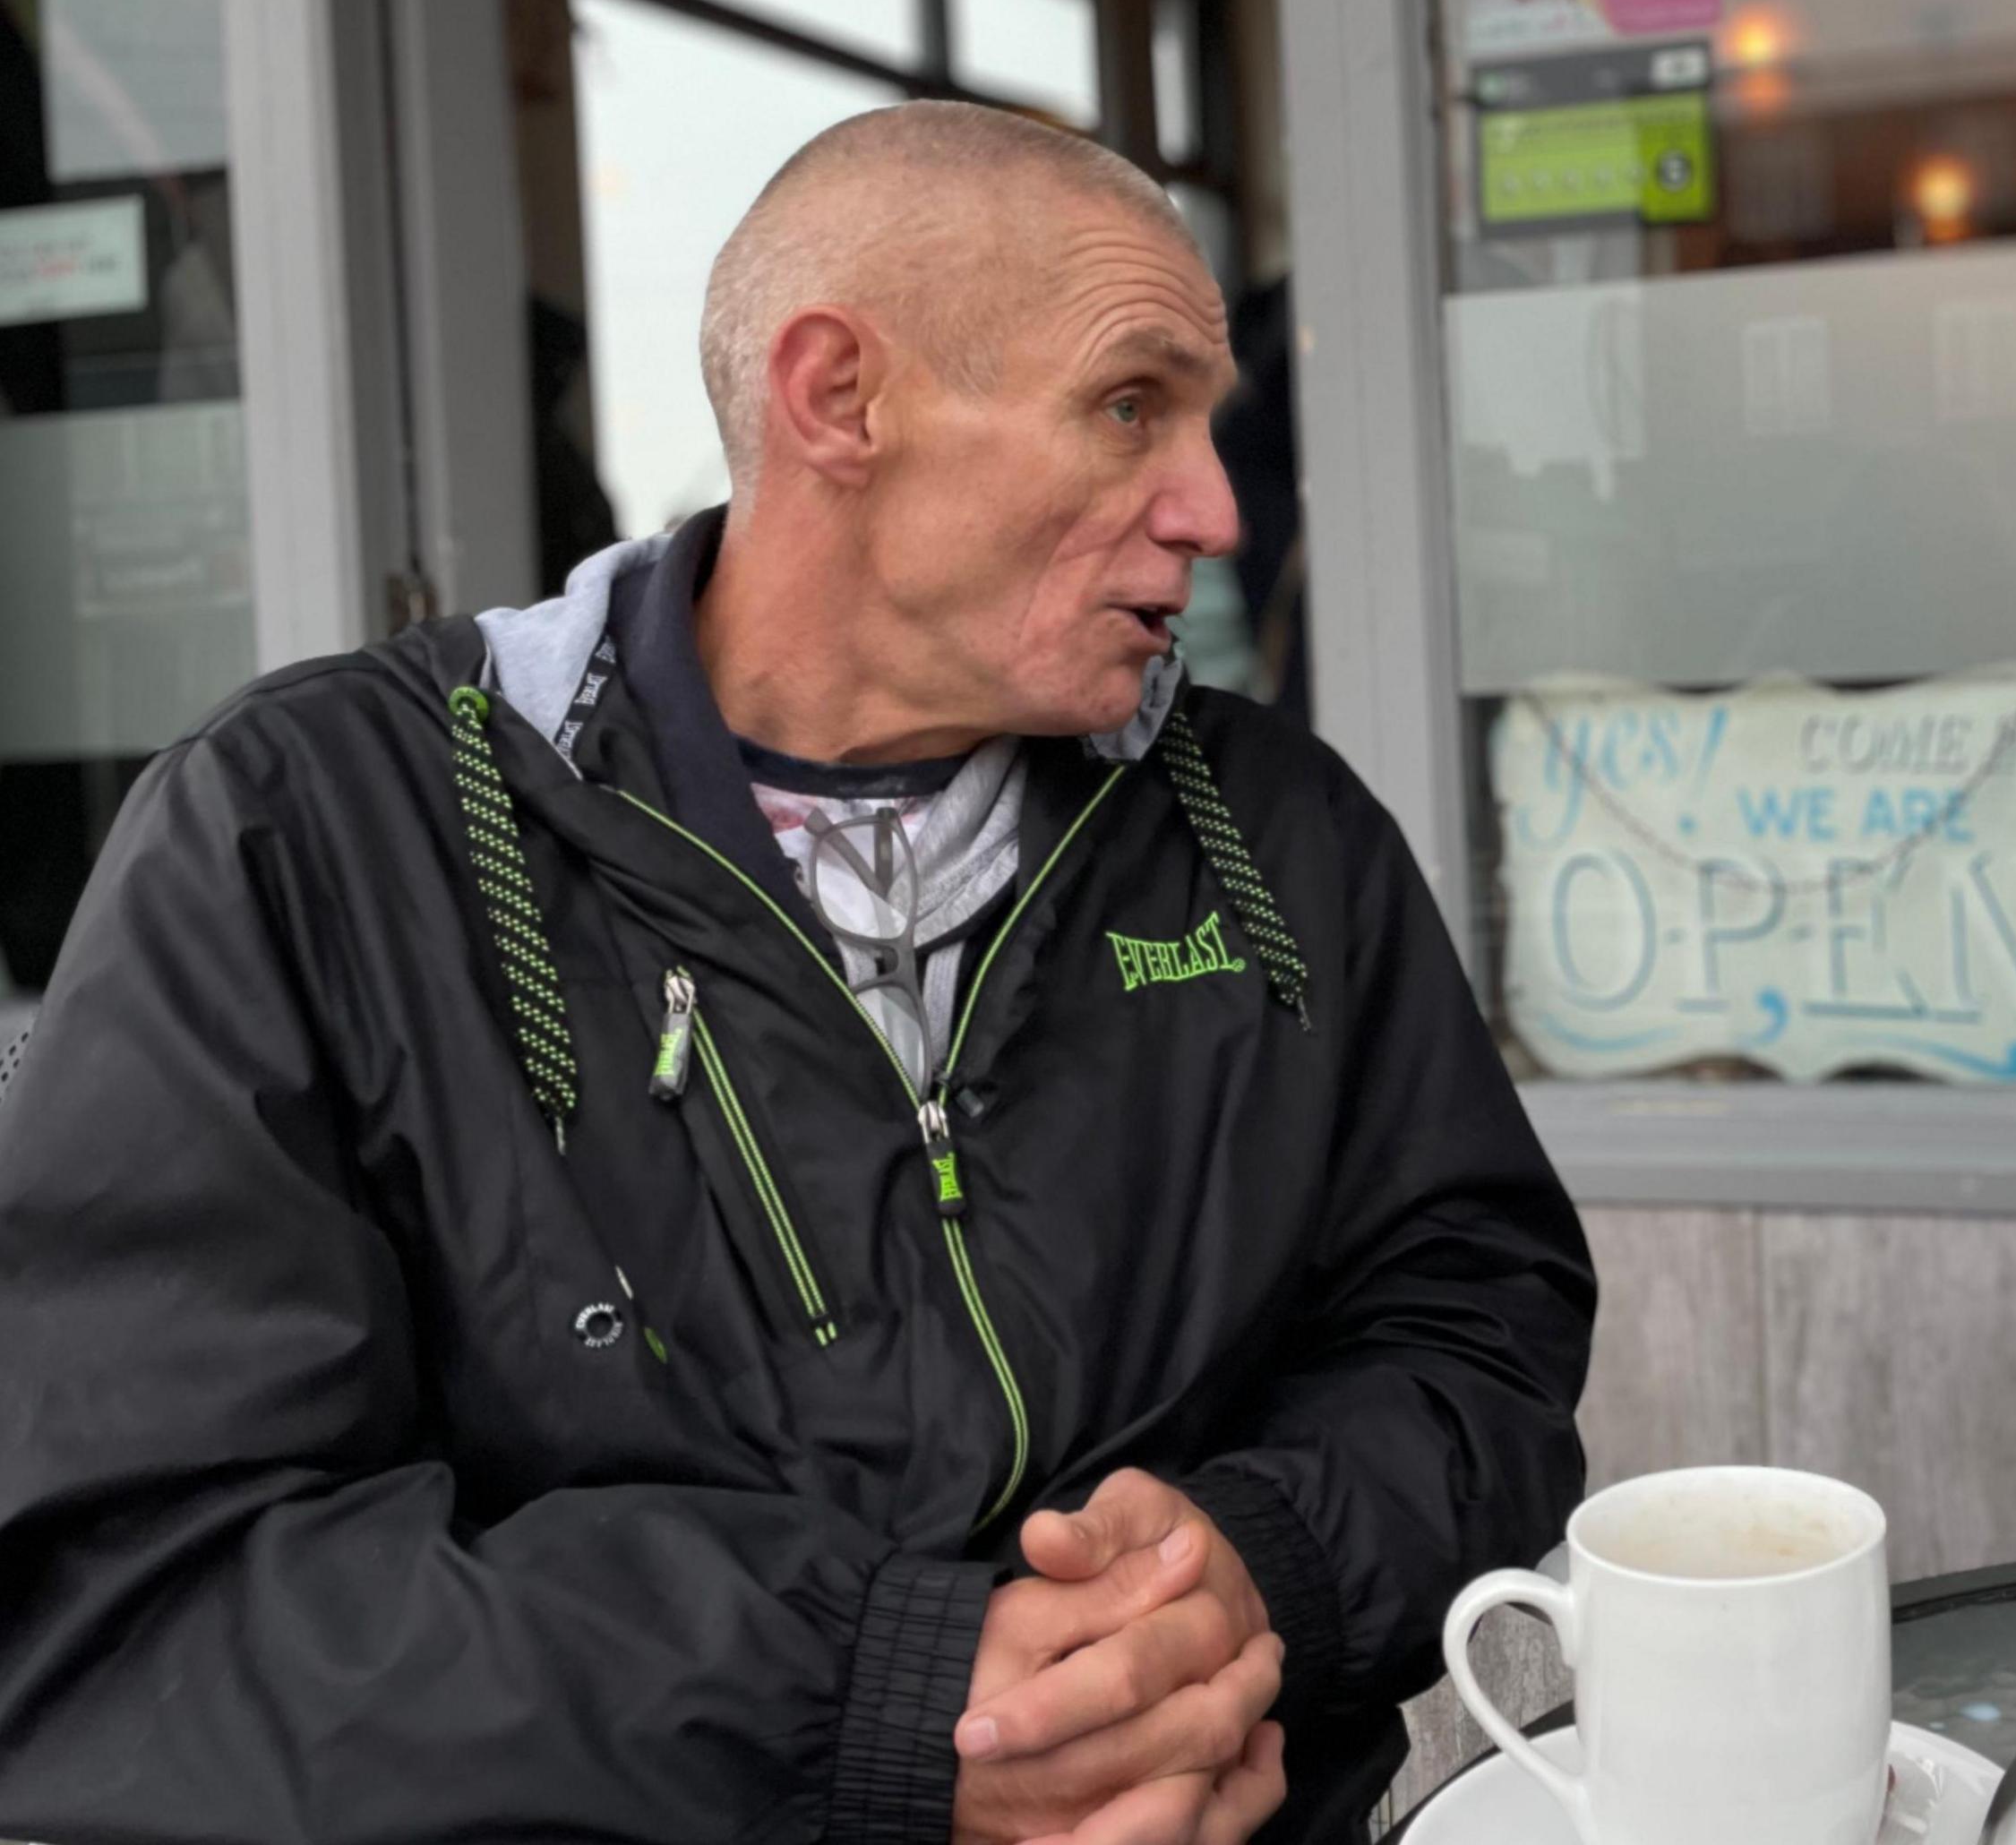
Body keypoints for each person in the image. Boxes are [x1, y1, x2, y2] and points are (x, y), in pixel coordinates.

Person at [0, 102, 1597, 1843]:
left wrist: (1258, 1569)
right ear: (840, 399)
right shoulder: (310, 835)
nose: (1212, 505)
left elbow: (1472, 1330)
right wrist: (880, 1707)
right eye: (1132, 405)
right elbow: (135, 1603)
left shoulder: (1275, 835)